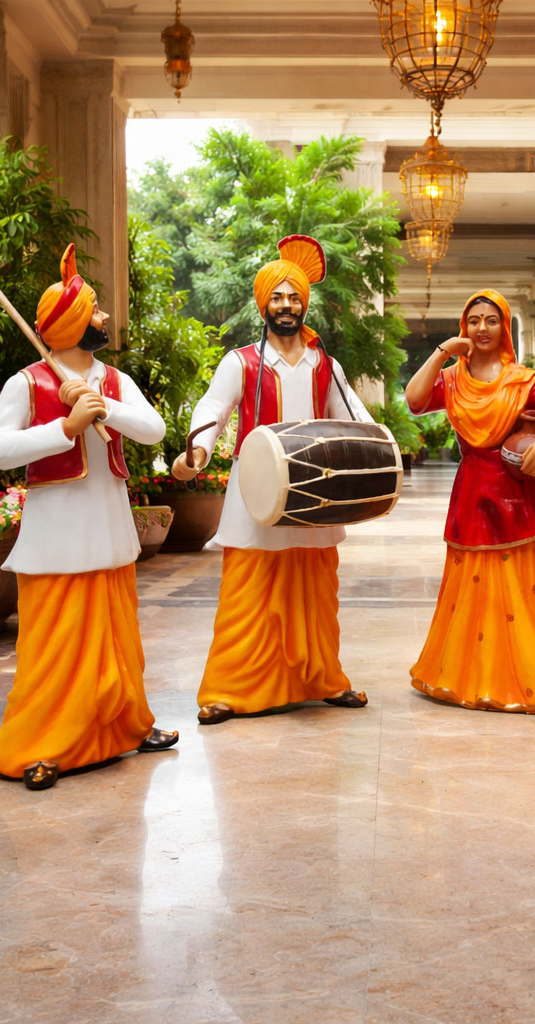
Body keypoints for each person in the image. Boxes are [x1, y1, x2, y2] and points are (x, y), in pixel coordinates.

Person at [0, 243, 177, 791]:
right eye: (95, 309)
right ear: (71, 322)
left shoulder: (113, 380)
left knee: (119, 636)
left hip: (108, 528)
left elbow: (154, 430)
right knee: (54, 644)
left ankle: (126, 724)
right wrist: (64, 429)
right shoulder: (27, 382)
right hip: (57, 535)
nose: (105, 316)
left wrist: (104, 408)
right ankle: (40, 744)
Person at [172, 234, 373, 725]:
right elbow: (214, 407)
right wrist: (197, 449)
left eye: (295, 297)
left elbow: (354, 415)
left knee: (316, 589)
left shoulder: (326, 364)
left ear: (305, 304)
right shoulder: (240, 361)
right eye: (278, 297)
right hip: (257, 488)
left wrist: (375, 451)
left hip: (316, 488)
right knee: (248, 588)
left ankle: (321, 677)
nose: (287, 305)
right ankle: (228, 689)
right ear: (263, 304)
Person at [404, 288, 535, 712]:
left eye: (492, 320)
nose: (482, 328)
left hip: (520, 495)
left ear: (505, 327)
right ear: (464, 326)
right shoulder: (453, 380)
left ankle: (534, 675)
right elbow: (415, 400)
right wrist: (443, 351)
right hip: (473, 494)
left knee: (525, 586)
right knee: (474, 586)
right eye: (474, 320)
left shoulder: (522, 380)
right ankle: (472, 675)